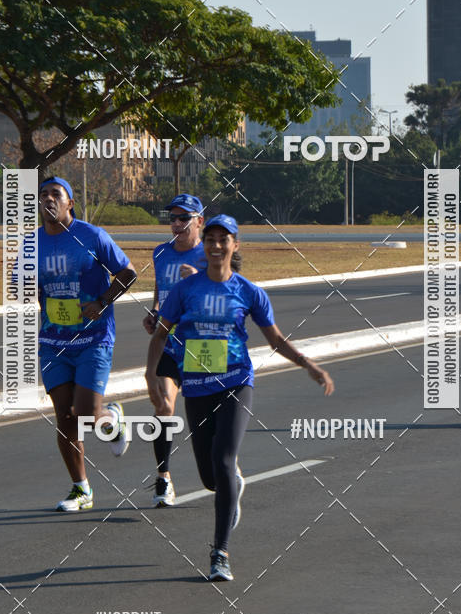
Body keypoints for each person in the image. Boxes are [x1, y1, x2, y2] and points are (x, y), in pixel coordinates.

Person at [145, 214, 334, 581]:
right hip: (197, 387)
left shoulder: (248, 291)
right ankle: (231, 486)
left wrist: (308, 365)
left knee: (225, 457)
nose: (215, 245)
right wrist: (151, 375)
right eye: (211, 239)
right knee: (210, 479)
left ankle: (220, 552)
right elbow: (160, 335)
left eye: (223, 239)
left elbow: (275, 339)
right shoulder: (186, 290)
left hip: (235, 382)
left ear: (235, 244)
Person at [35, 177, 137, 512]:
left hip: (93, 337)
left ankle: (113, 417)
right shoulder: (31, 244)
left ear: (70, 204)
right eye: (43, 195)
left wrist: (102, 302)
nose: (48, 199)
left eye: (56, 195)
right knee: (65, 416)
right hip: (53, 342)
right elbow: (31, 287)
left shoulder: (92, 236)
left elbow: (128, 273)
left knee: (86, 414)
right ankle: (82, 489)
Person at [142, 194, 207, 507]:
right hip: (169, 342)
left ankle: (218, 467)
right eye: (173, 218)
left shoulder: (210, 255)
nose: (177, 224)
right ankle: (163, 478)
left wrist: (198, 281)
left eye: (184, 218)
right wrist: (155, 310)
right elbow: (160, 287)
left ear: (199, 222)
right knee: (164, 407)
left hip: (203, 344)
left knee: (206, 417)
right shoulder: (161, 253)